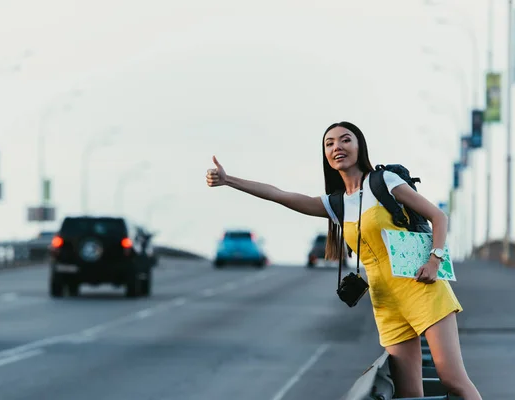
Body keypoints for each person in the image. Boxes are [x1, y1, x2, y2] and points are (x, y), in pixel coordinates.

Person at [205, 121, 482, 399]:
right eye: (329, 143)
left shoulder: (383, 181)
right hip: (386, 303)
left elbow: (439, 216)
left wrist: (435, 260)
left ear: (359, 146)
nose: (337, 147)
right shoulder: (338, 204)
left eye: (345, 140)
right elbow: (281, 195)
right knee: (409, 394)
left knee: (453, 380)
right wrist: (230, 181)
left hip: (421, 289)